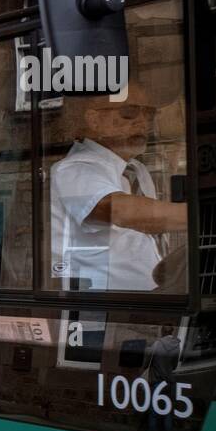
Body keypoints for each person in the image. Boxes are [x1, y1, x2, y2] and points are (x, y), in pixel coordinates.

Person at [49, 81, 188, 292]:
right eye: (129, 112)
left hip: (148, 300)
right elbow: (120, 211)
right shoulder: (72, 169)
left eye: (148, 114)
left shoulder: (137, 171)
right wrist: (200, 216)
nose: (142, 122)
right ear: (94, 120)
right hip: (102, 308)